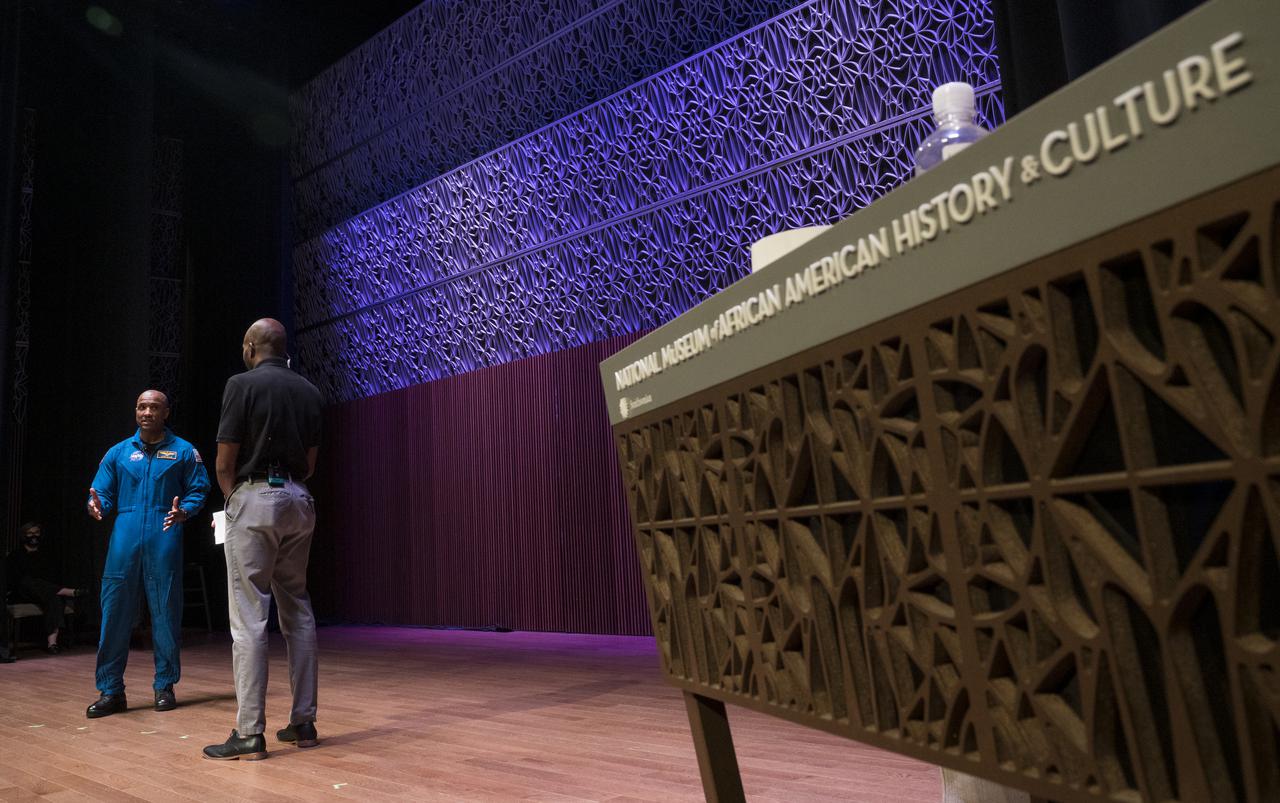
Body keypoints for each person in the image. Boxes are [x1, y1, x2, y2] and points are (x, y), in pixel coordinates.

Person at [202, 319, 323, 761]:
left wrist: (236, 496)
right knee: (298, 607)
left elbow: (224, 458)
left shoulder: (241, 383)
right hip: (299, 499)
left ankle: (250, 731)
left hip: (256, 498)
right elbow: (310, 462)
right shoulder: (310, 390)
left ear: (251, 346)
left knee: (250, 616)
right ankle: (303, 721)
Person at [85, 390, 209, 718]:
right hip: (124, 536)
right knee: (114, 614)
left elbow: (199, 488)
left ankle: (164, 685)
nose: (147, 412)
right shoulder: (118, 453)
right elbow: (102, 492)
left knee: (166, 612)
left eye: (154, 407)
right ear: (135, 411)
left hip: (163, 532)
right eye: (142, 406)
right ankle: (111, 690)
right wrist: (97, 505)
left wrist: (186, 510)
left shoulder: (184, 451)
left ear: (166, 412)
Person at [4, 522, 84, 654]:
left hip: (46, 593)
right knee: (27, 581)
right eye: (30, 533)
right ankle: (68, 592)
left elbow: (52, 577)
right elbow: (13, 580)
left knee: (54, 597)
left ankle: (52, 643)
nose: (33, 536)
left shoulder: (46, 556)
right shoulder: (15, 556)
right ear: (24, 536)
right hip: (22, 593)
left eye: (36, 533)